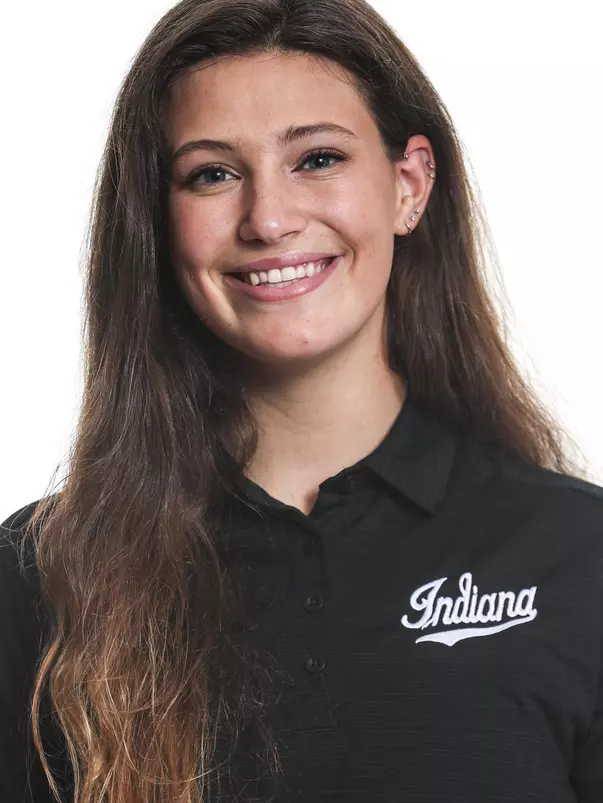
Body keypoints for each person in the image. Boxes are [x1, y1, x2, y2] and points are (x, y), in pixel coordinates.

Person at [1, 0, 602, 801]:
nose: (269, 218)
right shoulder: (42, 574)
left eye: (316, 158)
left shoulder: (578, 551)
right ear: (158, 220)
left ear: (408, 185)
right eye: (212, 173)